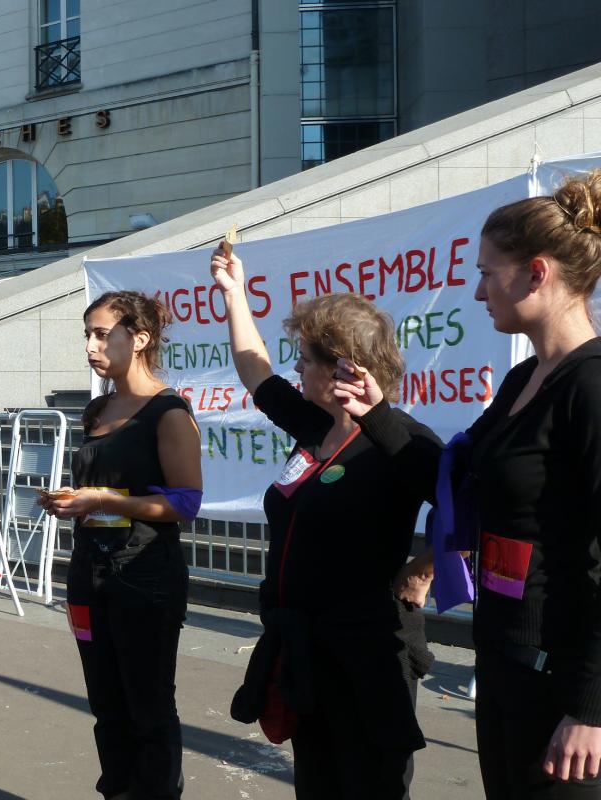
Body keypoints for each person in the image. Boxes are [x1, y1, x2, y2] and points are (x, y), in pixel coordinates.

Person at [336, 169, 601, 798]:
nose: (479, 291)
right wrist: (377, 415)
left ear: (536, 273)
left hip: (563, 689)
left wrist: (591, 706)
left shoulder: (590, 387)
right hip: (506, 665)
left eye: (487, 272)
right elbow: (456, 484)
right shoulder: (522, 381)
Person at [212, 247, 440, 799]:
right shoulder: (316, 426)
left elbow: (468, 507)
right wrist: (233, 292)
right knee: (316, 784)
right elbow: (256, 372)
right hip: (305, 648)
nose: (296, 368)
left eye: (306, 358)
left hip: (366, 655)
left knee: (368, 786)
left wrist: (424, 567)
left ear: (344, 365)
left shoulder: (400, 438)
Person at [41, 290, 202, 800]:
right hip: (88, 575)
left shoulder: (169, 411)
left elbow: (185, 503)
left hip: (145, 576)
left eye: (101, 333)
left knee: (149, 705)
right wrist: (74, 503)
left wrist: (107, 499)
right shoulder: (97, 410)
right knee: (105, 704)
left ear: (139, 339)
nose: (90, 344)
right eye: (86, 334)